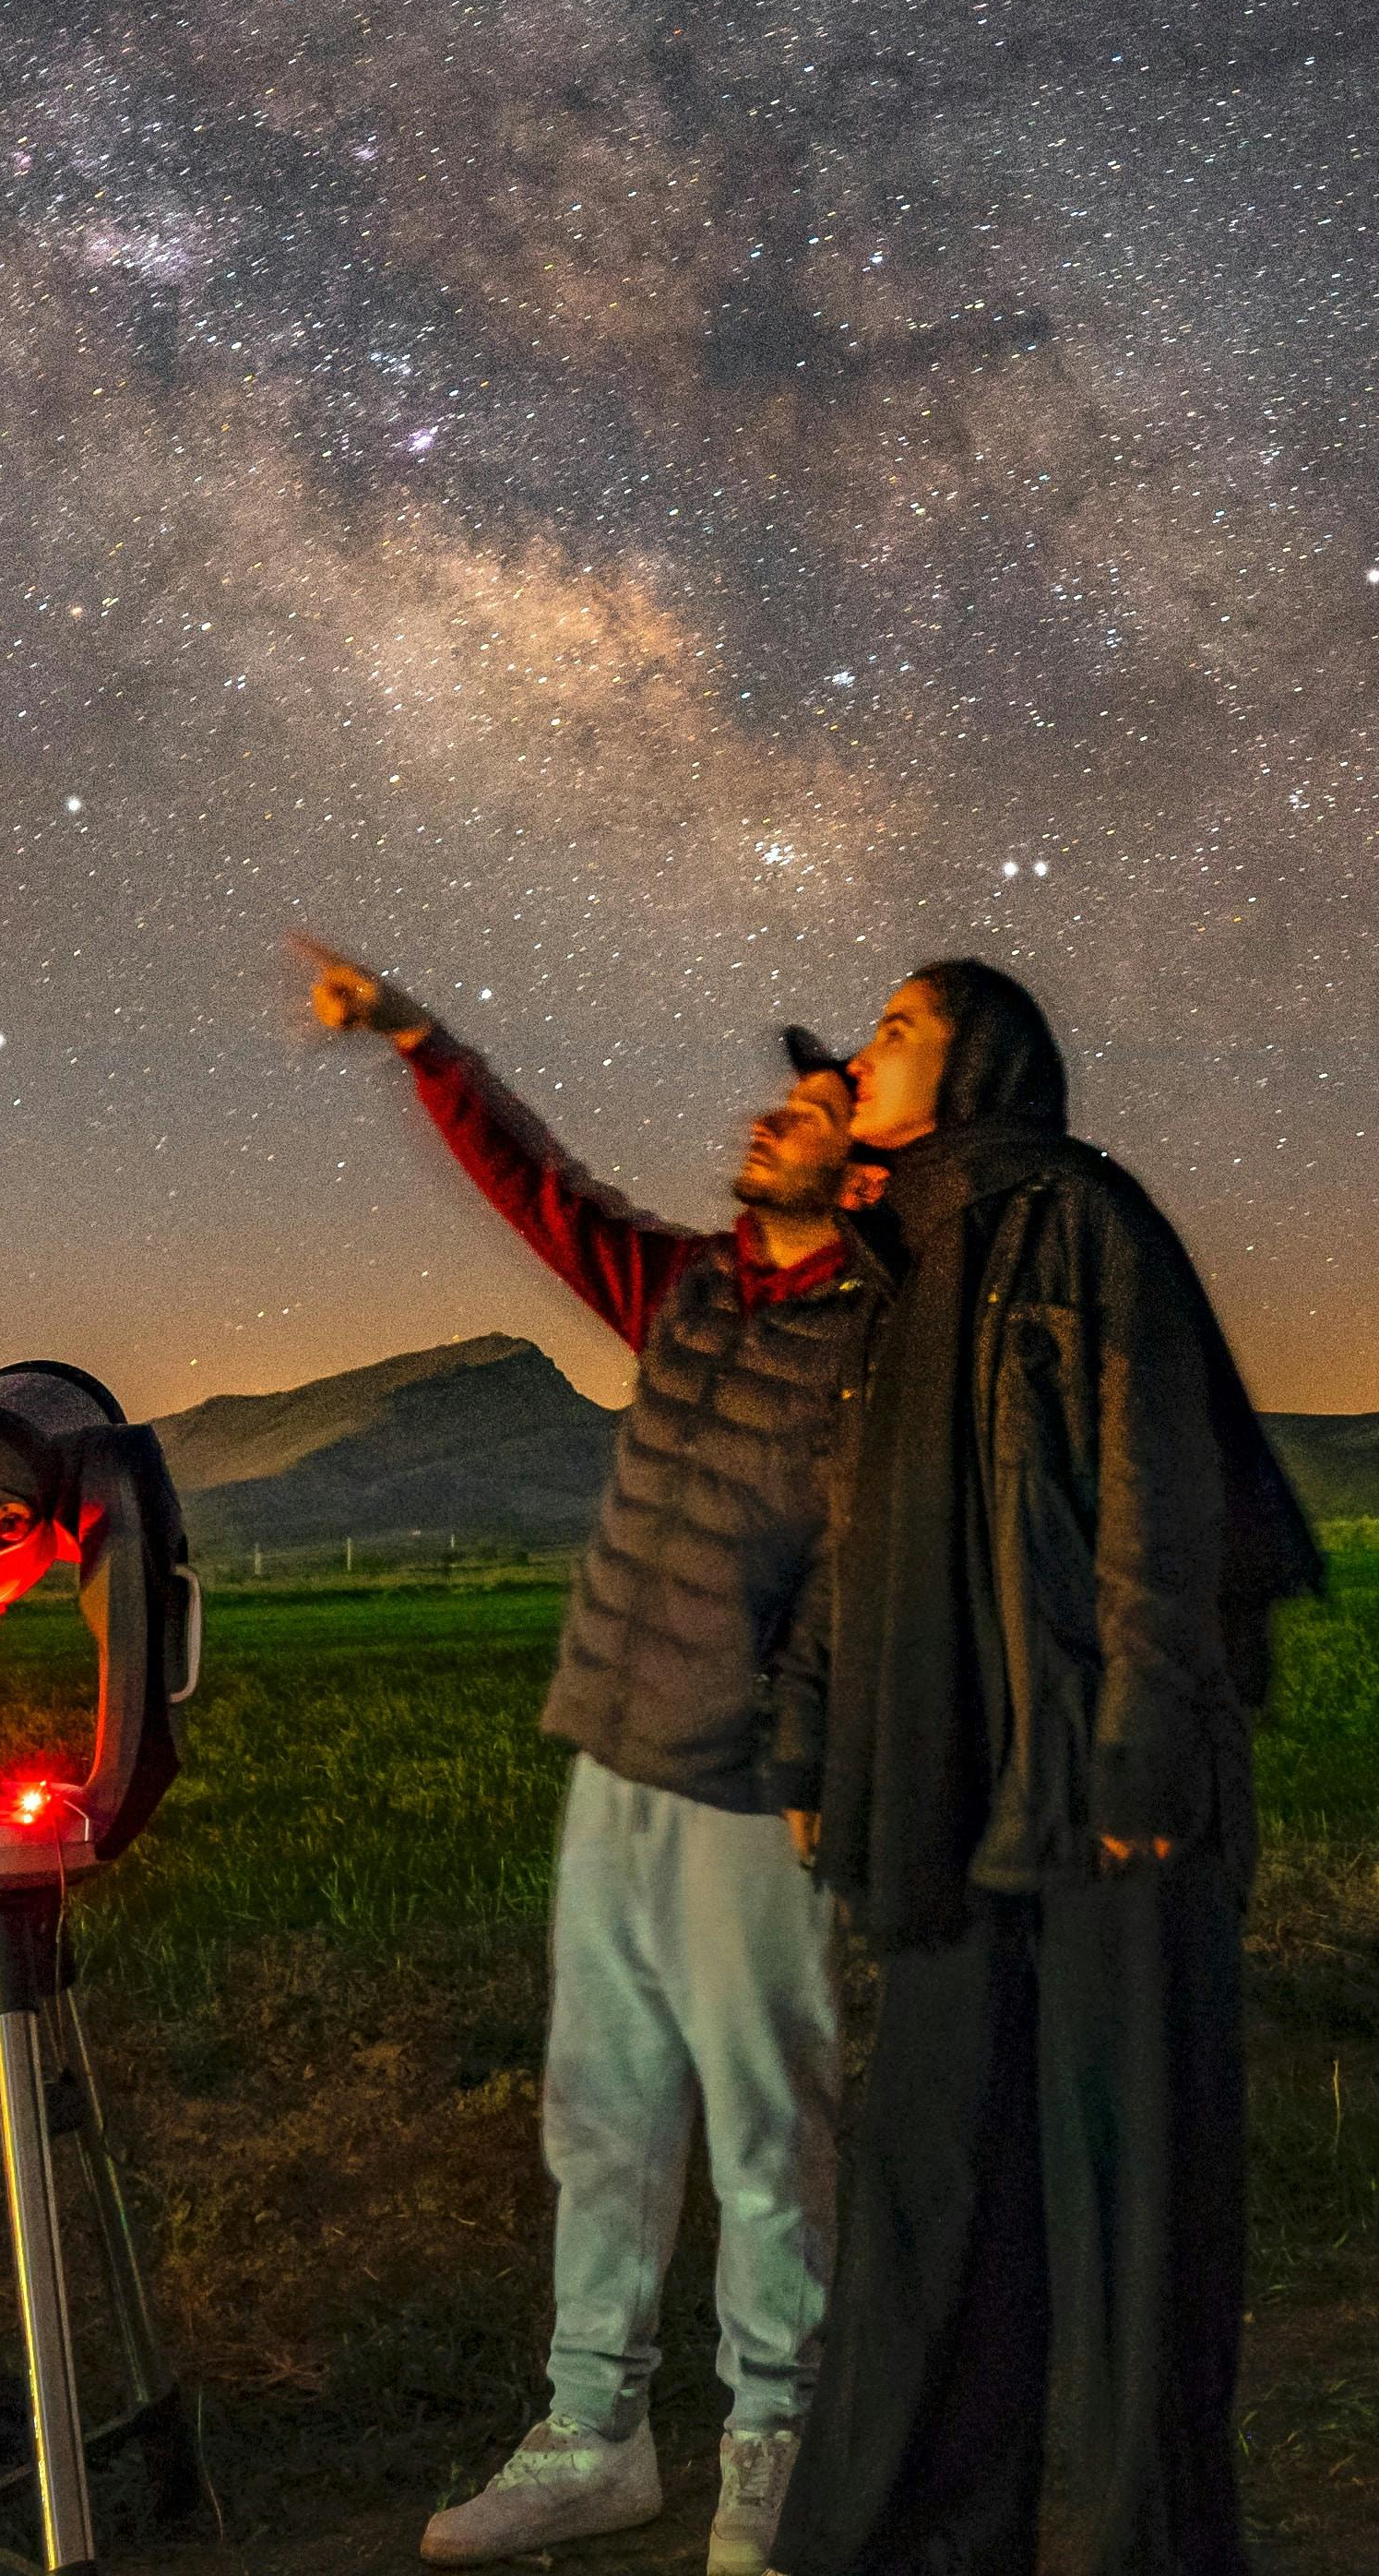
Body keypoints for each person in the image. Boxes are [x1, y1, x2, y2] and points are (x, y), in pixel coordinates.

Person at [303, 942, 881, 2576]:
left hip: (753, 1786)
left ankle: (774, 2452)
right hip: (612, 1755)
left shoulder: (879, 1342)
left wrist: (817, 1758)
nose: (771, 1119)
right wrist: (423, 1038)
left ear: (873, 1160)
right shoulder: (692, 1285)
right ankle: (592, 2438)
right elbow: (538, 1190)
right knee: (602, 2116)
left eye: (815, 1108)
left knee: (770, 2128)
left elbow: (858, 1574)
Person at [766, 960, 1323, 2576]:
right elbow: (845, 1530)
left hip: (1100, 1793)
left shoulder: (1085, 1222)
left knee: (1128, 2207)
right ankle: (919, 2539)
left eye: (895, 1029)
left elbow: (1162, 1483)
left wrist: (1149, 1747)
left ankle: (1144, 2548)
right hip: (946, 1795)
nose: (861, 1053)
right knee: (934, 2198)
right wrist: (814, 1731)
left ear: (981, 1061)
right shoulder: (896, 1266)